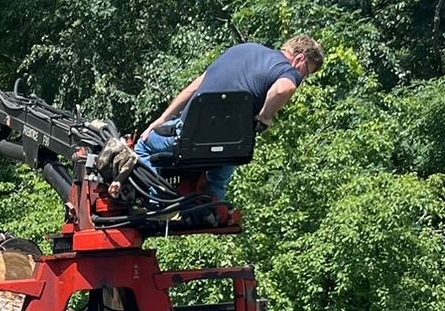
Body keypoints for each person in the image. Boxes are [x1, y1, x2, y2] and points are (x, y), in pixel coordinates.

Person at [136, 35, 325, 205]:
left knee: (143, 144)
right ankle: (212, 204)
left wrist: (162, 119)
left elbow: (193, 87)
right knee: (230, 143)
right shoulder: (288, 71)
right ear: (299, 59)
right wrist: (265, 117)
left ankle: (157, 201)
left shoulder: (241, 51)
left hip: (191, 140)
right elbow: (283, 88)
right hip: (230, 148)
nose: (303, 77)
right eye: (306, 73)